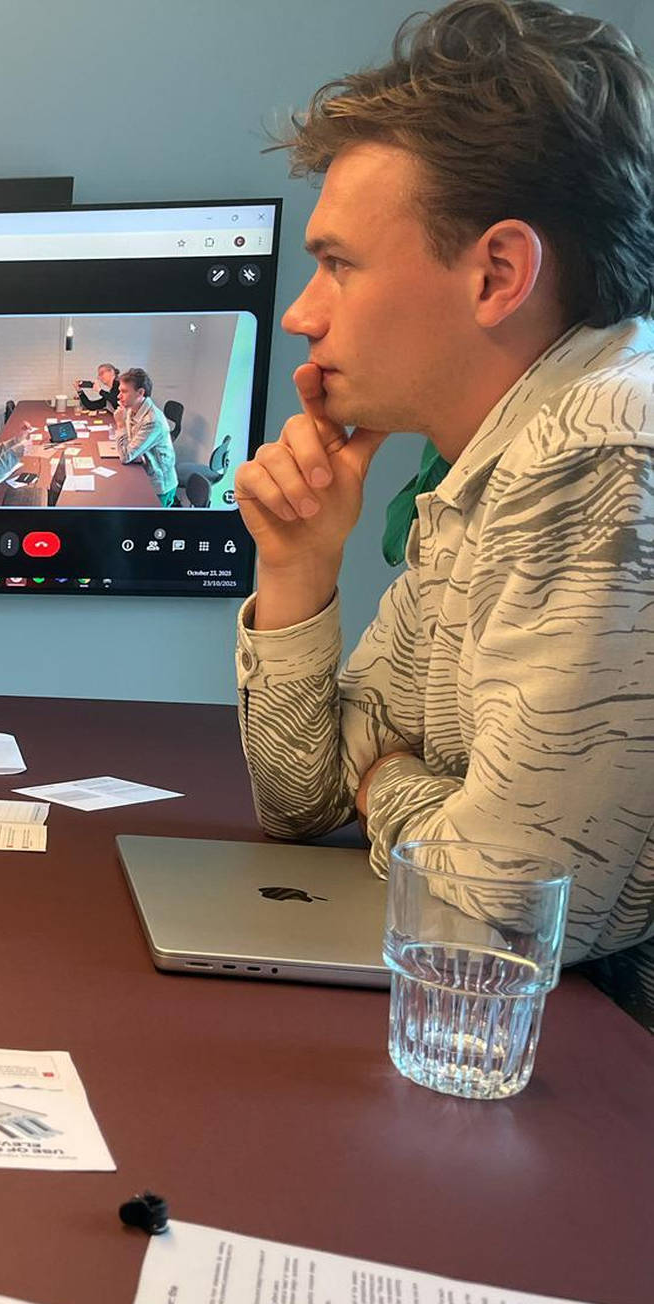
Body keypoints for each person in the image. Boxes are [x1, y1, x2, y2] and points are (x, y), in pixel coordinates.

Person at [232, 0, 654, 1018]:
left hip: (595, 1067)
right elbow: (299, 799)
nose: (300, 313)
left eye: (337, 264)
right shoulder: (484, 466)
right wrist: (297, 567)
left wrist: (386, 785)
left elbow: (496, 913)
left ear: (497, 274)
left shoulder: (596, 450)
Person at [117, 367, 178, 505]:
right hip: (143, 474)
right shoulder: (131, 409)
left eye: (124, 391)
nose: (119, 396)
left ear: (140, 393)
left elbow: (126, 456)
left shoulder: (152, 420)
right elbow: (131, 447)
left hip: (159, 487)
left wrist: (120, 425)